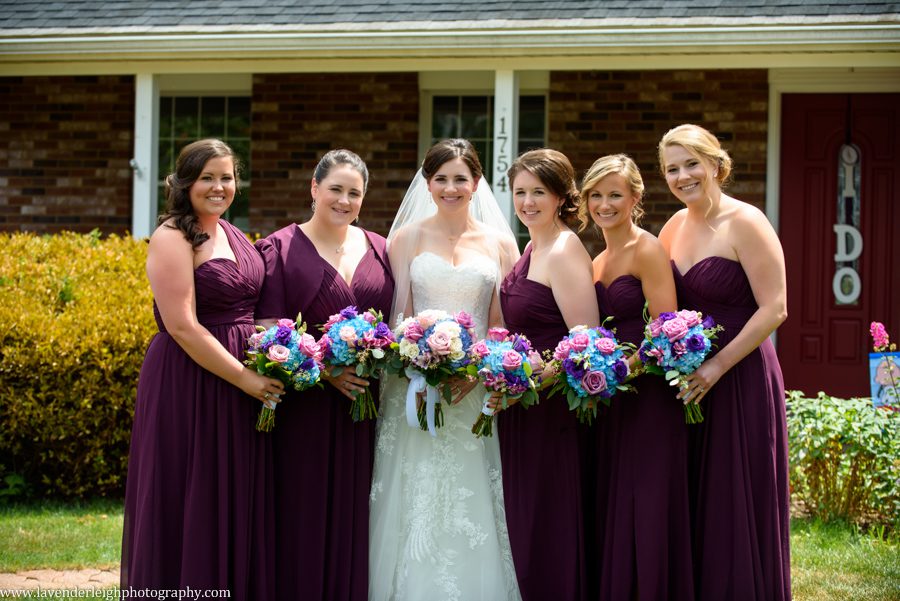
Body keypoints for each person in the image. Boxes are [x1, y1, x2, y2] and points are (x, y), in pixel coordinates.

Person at [122, 139, 284, 599]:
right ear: (185, 182)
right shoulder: (173, 236)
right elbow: (183, 326)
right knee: (191, 491)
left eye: (227, 177)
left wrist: (281, 354)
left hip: (238, 380)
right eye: (207, 177)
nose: (219, 187)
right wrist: (247, 379)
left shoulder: (233, 233)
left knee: (232, 493)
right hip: (191, 379)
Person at [369, 138, 522, 601]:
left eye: (460, 178)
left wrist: (475, 370)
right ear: (427, 182)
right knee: (414, 494)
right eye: (441, 179)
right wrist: (421, 359)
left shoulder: (499, 242)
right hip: (415, 386)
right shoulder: (407, 238)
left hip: (473, 389)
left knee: (469, 493)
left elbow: (501, 323)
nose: (450, 188)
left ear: (477, 183)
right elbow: (401, 315)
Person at [658, 124, 790, 600]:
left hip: (741, 376)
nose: (683, 175)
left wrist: (717, 367)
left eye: (691, 163)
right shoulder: (672, 226)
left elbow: (775, 307)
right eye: (672, 168)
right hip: (688, 380)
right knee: (700, 498)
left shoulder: (746, 221)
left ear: (716, 164)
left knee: (737, 500)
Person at [254, 149, 394, 599]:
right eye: (335, 189)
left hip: (366, 408)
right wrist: (323, 369)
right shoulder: (279, 248)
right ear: (314, 189)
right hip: (305, 409)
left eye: (354, 193)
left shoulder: (381, 248)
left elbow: (396, 320)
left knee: (360, 512)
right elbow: (265, 327)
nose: (344, 200)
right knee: (303, 512)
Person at [580, 154, 694, 600]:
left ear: (635, 198)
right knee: (613, 500)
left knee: (645, 504)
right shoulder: (597, 259)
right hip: (610, 398)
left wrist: (623, 369)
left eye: (614, 195)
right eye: (596, 195)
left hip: (647, 397)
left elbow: (666, 331)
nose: (604, 204)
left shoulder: (647, 248)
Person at [495, 148, 598, 601]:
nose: (527, 201)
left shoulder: (565, 247)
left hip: (551, 407)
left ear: (560, 197)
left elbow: (586, 342)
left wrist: (528, 385)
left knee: (548, 517)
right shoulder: (528, 249)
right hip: (521, 405)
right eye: (520, 192)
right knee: (525, 518)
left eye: (539, 191)